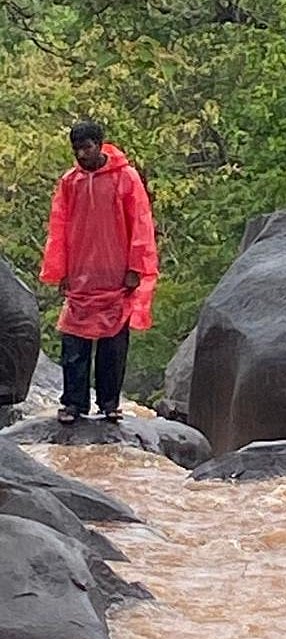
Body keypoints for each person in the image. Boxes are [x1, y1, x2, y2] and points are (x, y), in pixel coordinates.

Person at [40, 121, 158, 424]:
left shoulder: (126, 178)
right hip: (80, 276)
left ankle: (109, 403)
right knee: (74, 344)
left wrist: (135, 268)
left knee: (113, 345)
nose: (81, 154)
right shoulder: (70, 182)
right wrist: (60, 270)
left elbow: (141, 224)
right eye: (76, 149)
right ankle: (73, 404)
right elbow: (59, 227)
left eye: (86, 147)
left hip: (116, 277)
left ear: (100, 144)